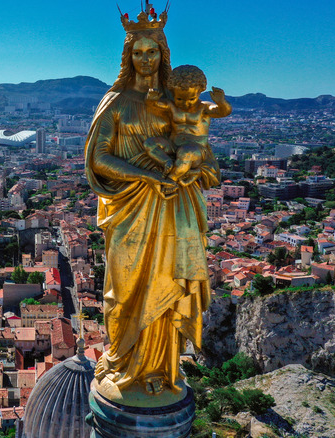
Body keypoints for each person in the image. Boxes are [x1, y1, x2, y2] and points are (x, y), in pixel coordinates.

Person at [84, 8, 220, 404]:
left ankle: (161, 368)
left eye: (152, 52)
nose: (146, 59)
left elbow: (199, 148)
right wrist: (148, 175)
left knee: (166, 287)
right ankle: (124, 362)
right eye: (138, 52)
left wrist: (195, 170)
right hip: (130, 208)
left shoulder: (178, 101)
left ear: (163, 55)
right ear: (128, 57)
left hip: (173, 208)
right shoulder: (115, 102)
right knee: (121, 292)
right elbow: (99, 159)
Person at [144, 65, 231, 187]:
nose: (185, 103)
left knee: (186, 153)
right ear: (173, 92)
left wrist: (221, 102)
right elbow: (156, 106)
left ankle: (171, 179)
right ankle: (167, 163)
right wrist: (151, 100)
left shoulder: (203, 107)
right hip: (173, 146)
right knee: (150, 143)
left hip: (196, 151)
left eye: (191, 98)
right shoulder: (171, 105)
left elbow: (223, 112)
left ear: (200, 92)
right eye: (179, 99)